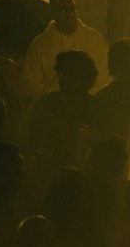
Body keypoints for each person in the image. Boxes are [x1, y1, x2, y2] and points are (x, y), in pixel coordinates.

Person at [22, 49, 99, 192]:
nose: (67, 78)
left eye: (74, 73)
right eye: (64, 72)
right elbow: (27, 144)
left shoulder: (95, 108)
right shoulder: (43, 105)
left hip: (84, 183)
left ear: (86, 77)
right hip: (46, 180)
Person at [22, 0, 108, 100]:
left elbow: (105, 76)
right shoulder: (39, 45)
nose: (69, 14)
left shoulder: (95, 39)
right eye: (62, 10)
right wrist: (57, 97)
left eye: (71, 8)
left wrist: (86, 97)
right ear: (52, 12)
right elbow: (30, 82)